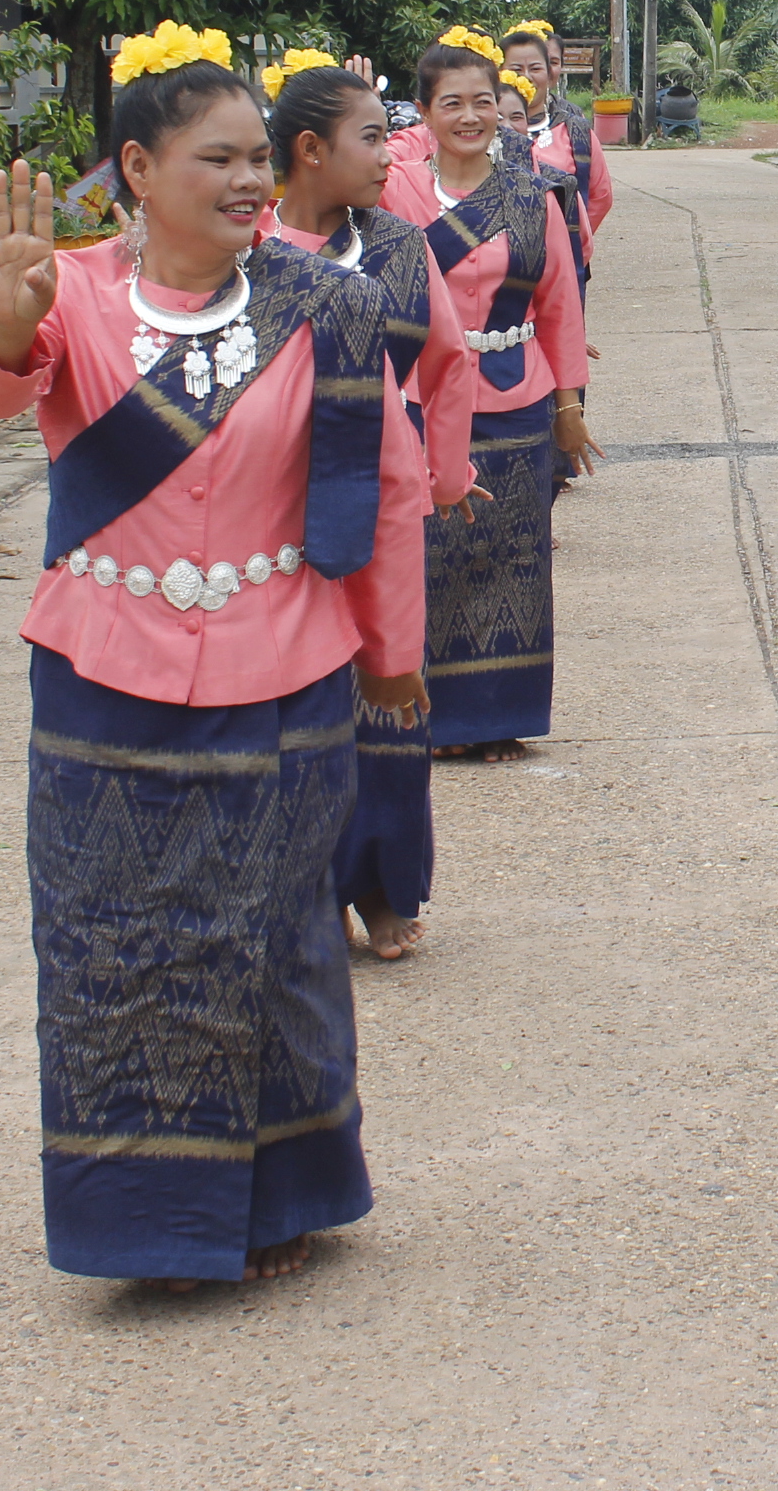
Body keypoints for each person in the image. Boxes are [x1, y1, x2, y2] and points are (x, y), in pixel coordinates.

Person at [0, 22, 423, 1290]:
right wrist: (3, 327)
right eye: (215, 159)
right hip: (104, 675)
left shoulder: (331, 303)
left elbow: (382, 489)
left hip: (288, 673)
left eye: (259, 157)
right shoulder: (76, 294)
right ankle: (139, 1225)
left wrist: (394, 656)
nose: (249, 180)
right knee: (114, 945)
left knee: (272, 941)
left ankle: (282, 1203)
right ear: (138, 172)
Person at [264, 52, 476, 963]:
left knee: (389, 689)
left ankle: (386, 885)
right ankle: (302, 889)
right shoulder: (249, 255)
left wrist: (445, 475)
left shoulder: (396, 247)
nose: (392, 155)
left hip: (384, 503)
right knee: (287, 696)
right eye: (373, 137)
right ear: (311, 152)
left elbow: (450, 360)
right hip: (271, 507)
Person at [382, 29, 600, 762]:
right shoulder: (393, 193)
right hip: (419, 398)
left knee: (513, 559)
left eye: (484, 101)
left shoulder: (530, 197)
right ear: (423, 112)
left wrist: (569, 409)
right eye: (452, 103)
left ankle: (498, 718)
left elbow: (561, 306)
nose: (471, 116)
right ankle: (433, 717)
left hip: (516, 393)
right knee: (429, 553)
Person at [501, 20, 611, 261]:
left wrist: (569, 244)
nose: (526, 77)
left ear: (550, 73)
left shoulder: (576, 131)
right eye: (516, 69)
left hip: (563, 260)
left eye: (536, 68)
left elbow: (600, 197)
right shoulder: (483, 132)